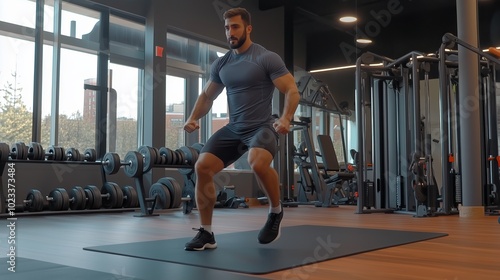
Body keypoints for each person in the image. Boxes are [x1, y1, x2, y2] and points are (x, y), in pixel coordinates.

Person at [183, 7, 300, 251]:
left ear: (248, 28)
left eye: (235, 27)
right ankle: (207, 233)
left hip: (262, 127)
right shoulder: (222, 63)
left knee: (257, 162)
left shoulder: (266, 57)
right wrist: (193, 117)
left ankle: (275, 212)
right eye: (227, 28)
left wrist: (287, 118)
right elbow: (207, 96)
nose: (230, 32)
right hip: (235, 129)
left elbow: (291, 89)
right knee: (202, 166)